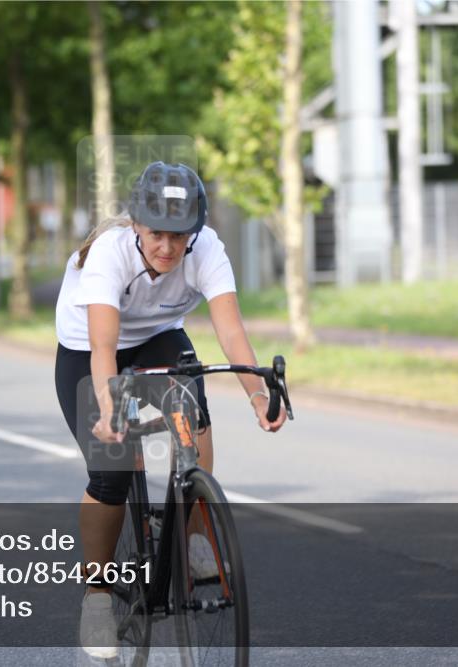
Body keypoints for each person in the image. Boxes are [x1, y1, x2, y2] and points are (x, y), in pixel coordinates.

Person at [54, 161, 287, 658]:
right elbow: (103, 349)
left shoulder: (207, 250)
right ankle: (96, 598)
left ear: (195, 232)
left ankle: (196, 532)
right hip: (88, 349)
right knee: (112, 471)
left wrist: (257, 395)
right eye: (156, 233)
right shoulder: (108, 256)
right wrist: (110, 408)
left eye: (179, 236)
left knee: (192, 403)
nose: (167, 247)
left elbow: (230, 331)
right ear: (135, 224)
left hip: (158, 337)